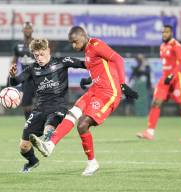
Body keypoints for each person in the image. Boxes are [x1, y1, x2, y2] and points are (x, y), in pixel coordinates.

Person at [29, 26, 138, 176]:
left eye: (75, 42)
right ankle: (49, 145)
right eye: (71, 43)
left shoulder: (96, 45)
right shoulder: (87, 51)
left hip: (108, 93)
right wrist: (88, 79)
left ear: (83, 37)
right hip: (95, 90)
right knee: (72, 113)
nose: (73, 46)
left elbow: (118, 59)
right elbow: (101, 66)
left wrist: (123, 84)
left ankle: (92, 163)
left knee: (82, 124)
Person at [8, 38, 86, 173]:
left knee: (48, 128)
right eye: (36, 55)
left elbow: (85, 64)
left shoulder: (62, 62)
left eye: (42, 54)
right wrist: (12, 76)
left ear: (48, 50)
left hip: (58, 106)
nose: (39, 58)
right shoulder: (32, 68)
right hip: (39, 109)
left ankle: (47, 141)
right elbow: (15, 82)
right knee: (23, 147)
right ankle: (32, 161)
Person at [136, 25, 181, 142]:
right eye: (163, 32)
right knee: (156, 103)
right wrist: (167, 76)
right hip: (165, 79)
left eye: (167, 32)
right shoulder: (162, 46)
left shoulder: (176, 45)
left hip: (176, 77)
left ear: (172, 33)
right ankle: (150, 132)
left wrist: (172, 75)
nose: (164, 34)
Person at [8, 21, 35, 120]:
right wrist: (11, 74)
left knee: (43, 103)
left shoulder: (37, 43)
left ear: (32, 30)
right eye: (26, 28)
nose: (27, 30)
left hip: (38, 77)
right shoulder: (18, 46)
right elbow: (14, 61)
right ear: (23, 30)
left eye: (29, 28)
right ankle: (29, 124)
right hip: (26, 79)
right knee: (25, 105)